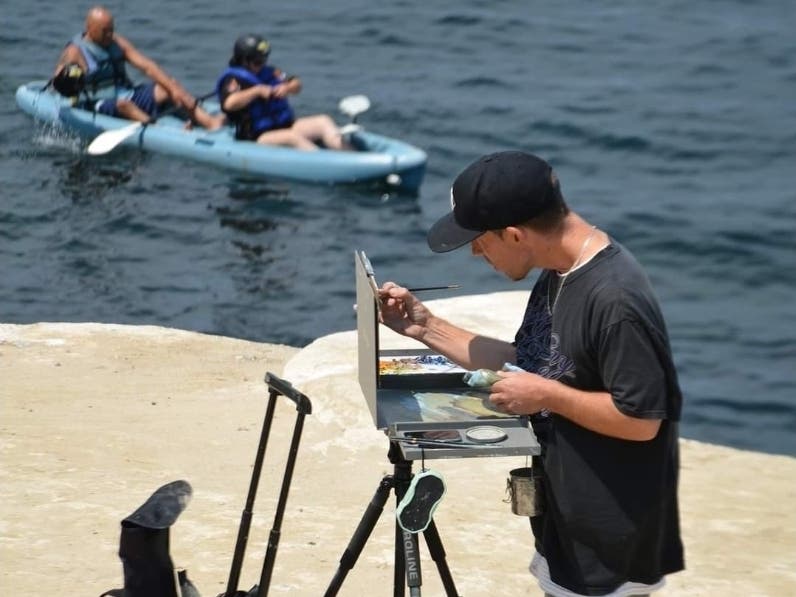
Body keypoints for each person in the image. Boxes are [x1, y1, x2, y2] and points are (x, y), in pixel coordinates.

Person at [378, 151, 685, 597]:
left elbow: (641, 419)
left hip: (609, 548)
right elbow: (534, 360)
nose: (475, 253)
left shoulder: (617, 301)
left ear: (515, 234)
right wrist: (426, 327)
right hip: (566, 522)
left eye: (480, 241)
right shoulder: (559, 268)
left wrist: (546, 396)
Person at [53, 5, 225, 130]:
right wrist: (68, 79)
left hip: (126, 93)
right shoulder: (75, 51)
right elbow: (58, 79)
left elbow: (148, 67)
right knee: (123, 105)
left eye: (111, 30)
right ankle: (161, 130)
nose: (110, 35)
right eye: (104, 31)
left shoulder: (116, 43)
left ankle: (210, 122)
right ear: (89, 29)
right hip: (95, 103)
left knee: (167, 87)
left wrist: (177, 91)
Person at [216, 34, 350, 151]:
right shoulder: (233, 80)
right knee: (291, 137)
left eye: (264, 59)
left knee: (323, 121)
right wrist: (256, 91)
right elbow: (229, 104)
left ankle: (349, 155)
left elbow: (296, 83)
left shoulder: (270, 72)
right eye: (258, 61)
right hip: (257, 136)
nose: (262, 64)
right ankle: (325, 162)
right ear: (244, 61)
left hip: (285, 125)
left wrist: (288, 88)